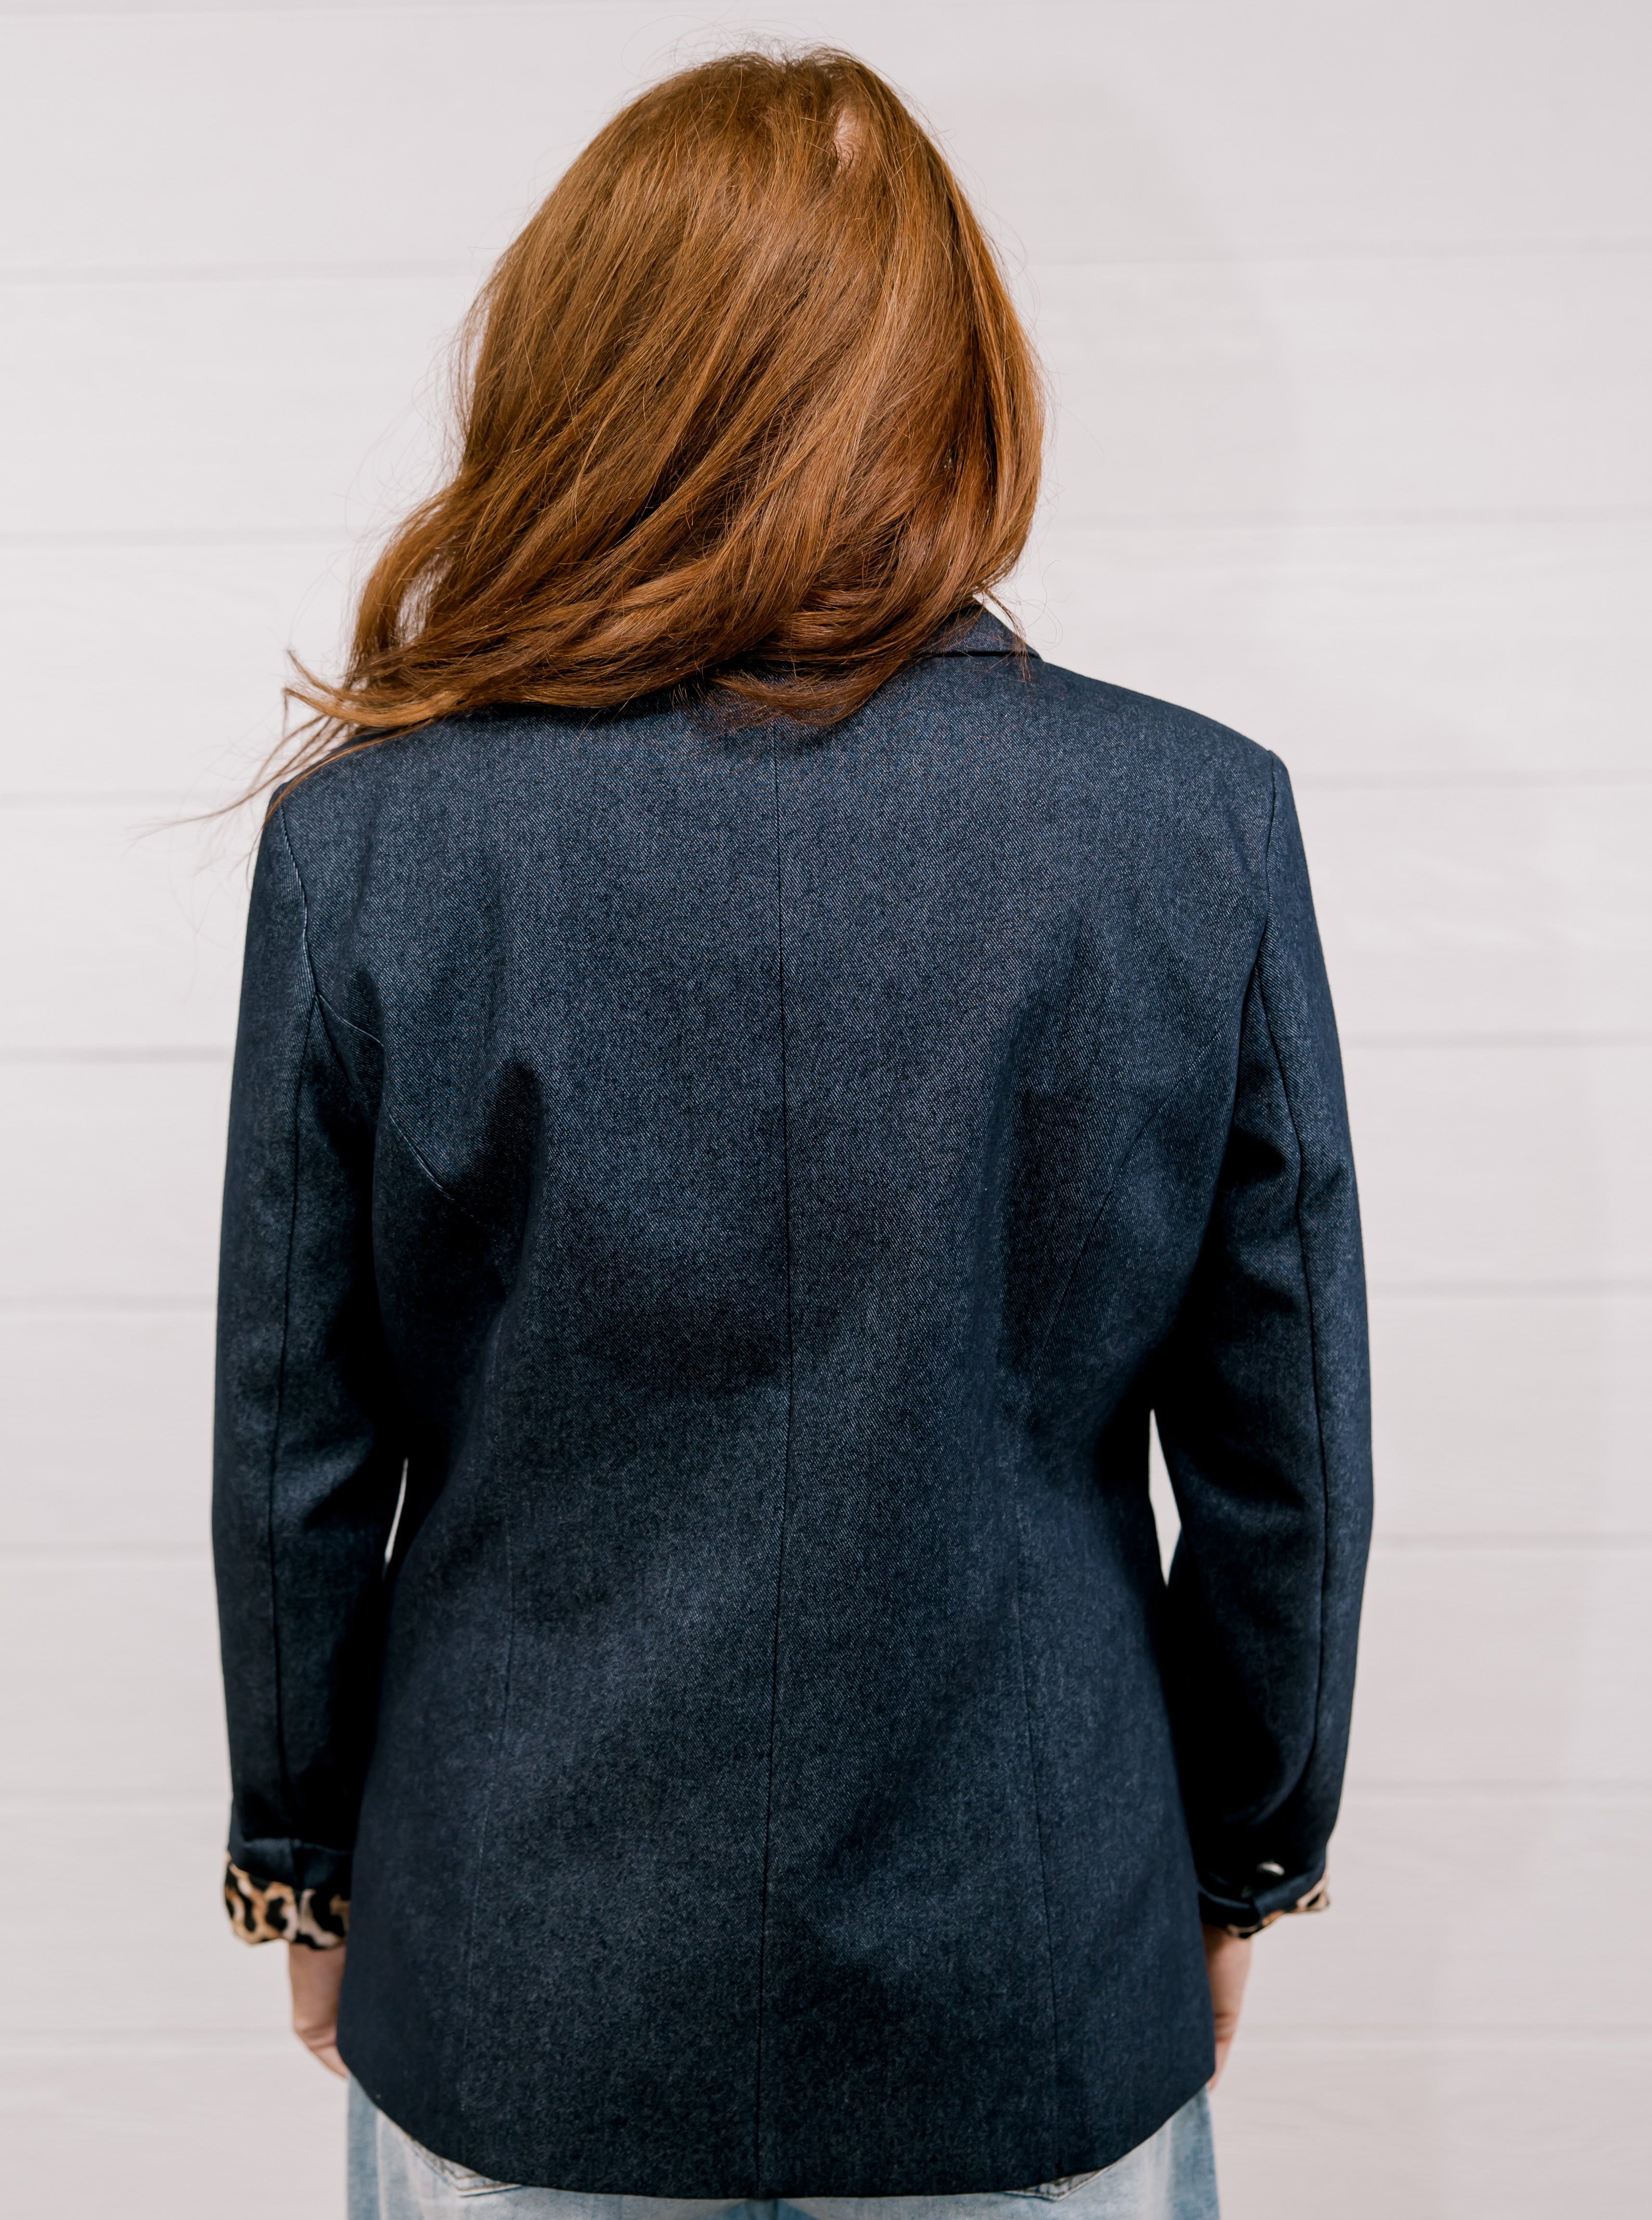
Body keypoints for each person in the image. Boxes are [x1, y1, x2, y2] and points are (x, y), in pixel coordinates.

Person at [212, 46, 1370, 2220]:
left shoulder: (377, 849)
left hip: (516, 1977)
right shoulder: (1188, 826)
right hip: (1030, 1970)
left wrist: (304, 1858)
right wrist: (1236, 1854)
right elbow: (1285, 1455)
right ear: (958, 384)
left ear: (581, 373)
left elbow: (294, 1445)